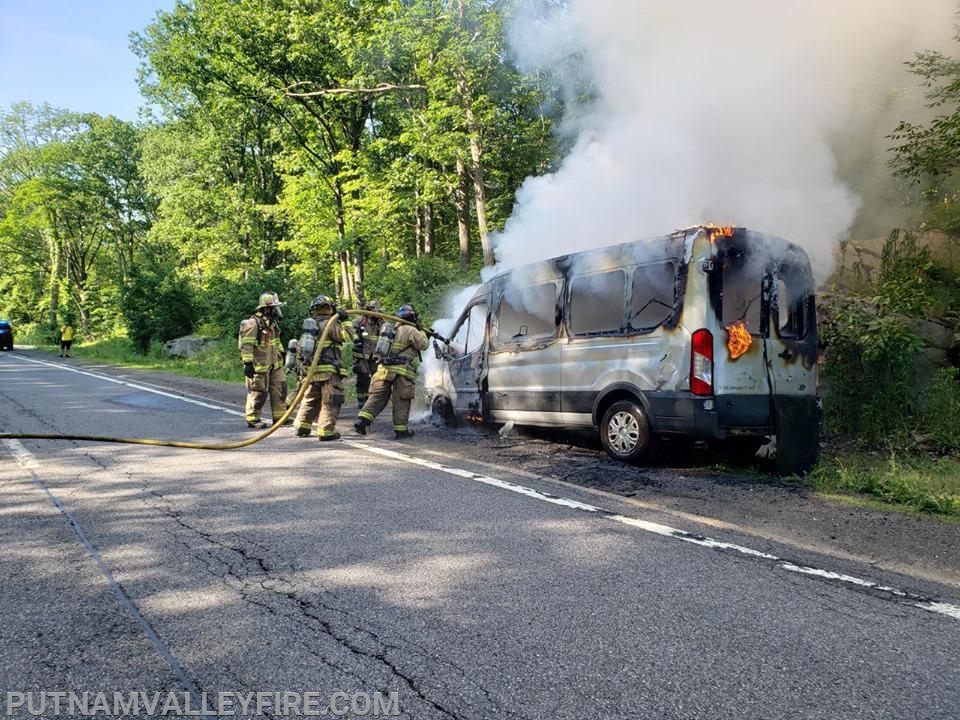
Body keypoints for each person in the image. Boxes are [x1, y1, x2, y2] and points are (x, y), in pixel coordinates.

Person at [354, 303, 428, 439]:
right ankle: (401, 431)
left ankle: (362, 421)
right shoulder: (411, 329)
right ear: (413, 317)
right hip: (402, 372)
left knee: (377, 397)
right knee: (401, 400)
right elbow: (423, 345)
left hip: (383, 370)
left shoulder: (390, 328)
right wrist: (422, 331)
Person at [292, 295, 354, 441]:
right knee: (331, 400)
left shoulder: (310, 325)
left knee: (311, 398)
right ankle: (326, 432)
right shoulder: (330, 324)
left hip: (312, 371)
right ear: (330, 308)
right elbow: (348, 337)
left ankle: (302, 426)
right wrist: (345, 321)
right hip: (329, 370)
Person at [238, 292, 287, 429]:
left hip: (274, 364)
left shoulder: (272, 324)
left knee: (280, 389)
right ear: (266, 309)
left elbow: (275, 341)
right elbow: (246, 345)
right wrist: (248, 364)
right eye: (274, 308)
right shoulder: (253, 324)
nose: (277, 311)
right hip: (259, 366)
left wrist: (281, 352)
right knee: (258, 394)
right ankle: (253, 419)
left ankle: (279, 417)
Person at [352, 299, 383, 407]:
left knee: (376, 379)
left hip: (375, 356)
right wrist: (356, 338)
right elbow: (349, 332)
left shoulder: (381, 322)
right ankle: (361, 400)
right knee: (363, 377)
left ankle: (371, 400)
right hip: (362, 355)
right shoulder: (360, 321)